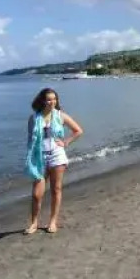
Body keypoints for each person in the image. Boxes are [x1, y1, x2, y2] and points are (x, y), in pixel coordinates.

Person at [24, 87, 83, 234]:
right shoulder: (34, 118)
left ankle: (53, 222)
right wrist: (30, 158)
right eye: (49, 99)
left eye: (54, 99)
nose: (52, 102)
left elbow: (78, 131)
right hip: (39, 158)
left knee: (56, 190)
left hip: (57, 155)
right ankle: (34, 223)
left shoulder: (60, 115)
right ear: (43, 100)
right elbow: (30, 140)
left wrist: (66, 142)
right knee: (37, 194)